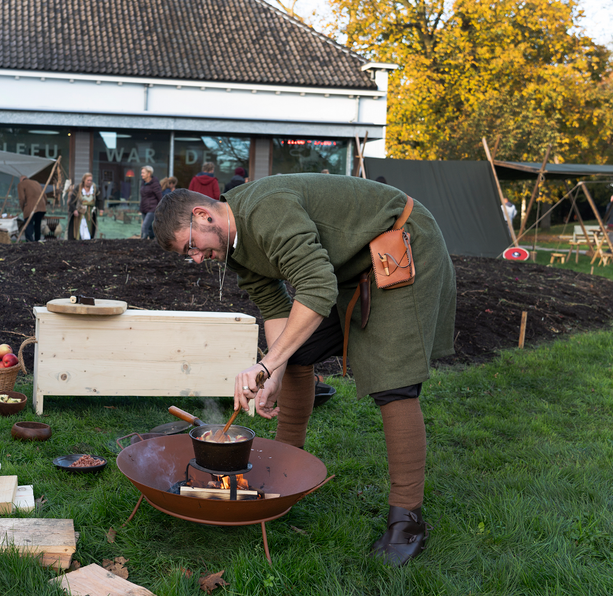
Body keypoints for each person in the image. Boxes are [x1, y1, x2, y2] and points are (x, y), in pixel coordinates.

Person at [153, 175, 456, 567]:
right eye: (186, 254)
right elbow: (275, 307)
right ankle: (285, 475)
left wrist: (265, 362)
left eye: (191, 245)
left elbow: (315, 286)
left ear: (203, 215)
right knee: (297, 354)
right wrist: (274, 372)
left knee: (392, 383)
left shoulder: (266, 211)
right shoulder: (234, 245)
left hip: (401, 245)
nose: (194, 258)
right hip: (350, 267)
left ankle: (408, 520)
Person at [68, 172, 102, 240]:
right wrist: (74, 210)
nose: (89, 182)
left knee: (90, 230)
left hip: (90, 214)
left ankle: (88, 242)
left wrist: (101, 209)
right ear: (84, 180)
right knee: (80, 230)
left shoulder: (94, 188)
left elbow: (100, 199)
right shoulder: (79, 188)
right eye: (88, 180)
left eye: (91, 180)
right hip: (80, 213)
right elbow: (72, 201)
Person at [18, 174, 46, 242]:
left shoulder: (21, 184)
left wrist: (23, 209)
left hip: (30, 208)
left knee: (28, 224)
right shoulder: (36, 183)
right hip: (41, 207)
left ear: (21, 179)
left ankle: (29, 242)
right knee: (37, 224)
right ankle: (37, 240)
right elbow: (45, 196)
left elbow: (22, 199)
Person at [139, 165, 162, 240]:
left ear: (149, 173)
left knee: (144, 226)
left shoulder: (155, 184)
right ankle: (153, 239)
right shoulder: (143, 183)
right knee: (149, 228)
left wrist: (160, 208)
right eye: (141, 173)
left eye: (143, 173)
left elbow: (159, 197)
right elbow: (143, 197)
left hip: (152, 208)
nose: (141, 174)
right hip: (144, 208)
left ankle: (142, 241)